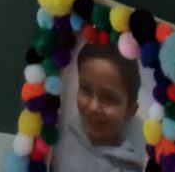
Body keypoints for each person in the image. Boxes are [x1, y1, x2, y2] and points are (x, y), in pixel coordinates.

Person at [51, 42, 147, 172]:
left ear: (131, 110)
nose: (93, 107)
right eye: (85, 89)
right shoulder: (57, 138)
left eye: (109, 98)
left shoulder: (137, 163)